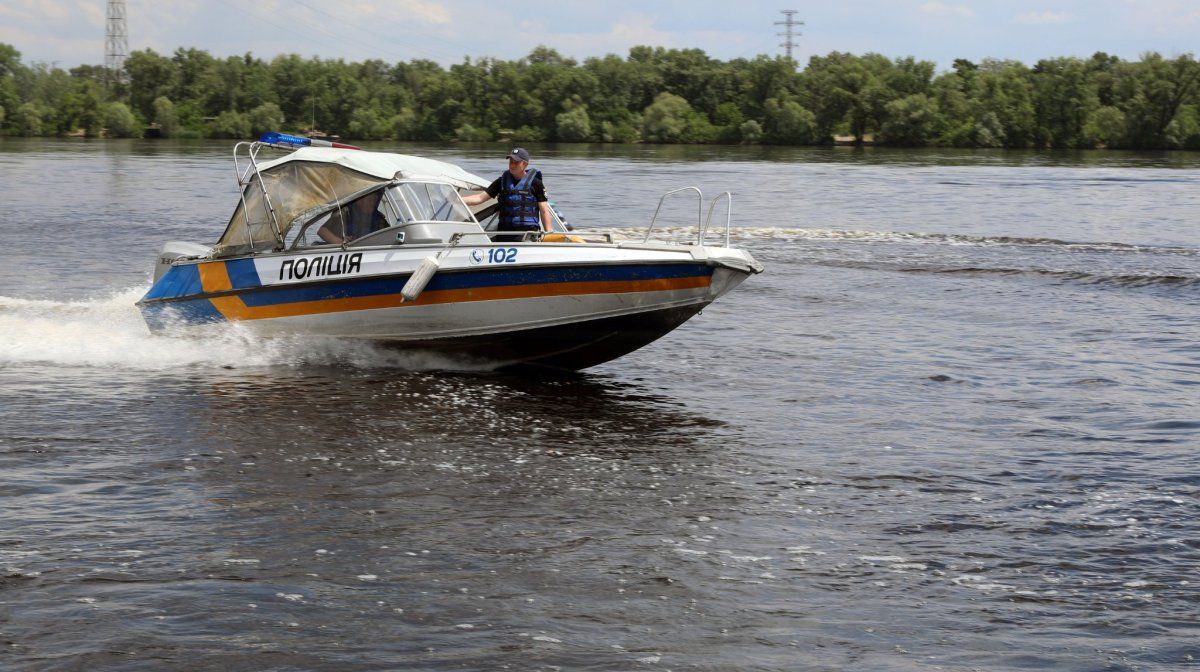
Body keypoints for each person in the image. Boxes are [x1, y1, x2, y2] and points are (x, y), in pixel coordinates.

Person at [462, 148, 553, 237]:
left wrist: (548, 233)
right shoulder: (501, 182)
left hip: (527, 233)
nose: (512, 165)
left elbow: (544, 211)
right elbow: (480, 198)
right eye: (510, 162)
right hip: (504, 232)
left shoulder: (536, 183)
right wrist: (457, 199)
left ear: (525, 164)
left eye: (516, 162)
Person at [318, 191, 388, 244]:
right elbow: (322, 231)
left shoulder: (378, 217)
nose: (373, 203)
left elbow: (390, 233)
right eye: (370, 200)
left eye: (375, 200)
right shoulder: (345, 212)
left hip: (369, 252)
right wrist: (340, 242)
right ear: (359, 200)